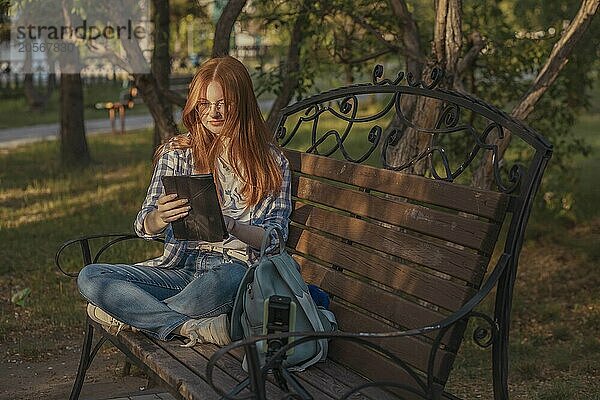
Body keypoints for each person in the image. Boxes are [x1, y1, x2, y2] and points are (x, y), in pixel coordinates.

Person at [77, 56, 292, 347]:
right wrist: (160, 217)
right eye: (204, 104)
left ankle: (129, 314)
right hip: (179, 268)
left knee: (228, 277)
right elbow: (143, 225)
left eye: (223, 103)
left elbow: (275, 240)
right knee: (91, 276)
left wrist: (232, 225)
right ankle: (187, 327)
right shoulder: (177, 154)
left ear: (241, 102)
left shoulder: (270, 162)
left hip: (233, 273)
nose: (213, 113)